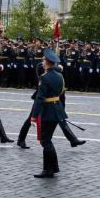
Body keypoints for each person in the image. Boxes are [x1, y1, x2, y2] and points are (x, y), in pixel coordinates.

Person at [17, 60, 86, 149]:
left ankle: (73, 139)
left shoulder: (54, 68)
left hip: (53, 98)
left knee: (61, 120)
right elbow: (40, 69)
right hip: (42, 98)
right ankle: (21, 139)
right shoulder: (42, 65)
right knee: (30, 119)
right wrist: (59, 68)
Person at [30, 49, 69, 178]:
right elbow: (61, 92)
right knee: (48, 140)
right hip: (57, 108)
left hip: (48, 110)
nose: (42, 62)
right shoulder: (59, 75)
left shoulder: (44, 77)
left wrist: (34, 116)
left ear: (47, 62)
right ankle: (53, 167)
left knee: (45, 140)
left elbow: (40, 98)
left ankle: (48, 170)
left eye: (43, 60)